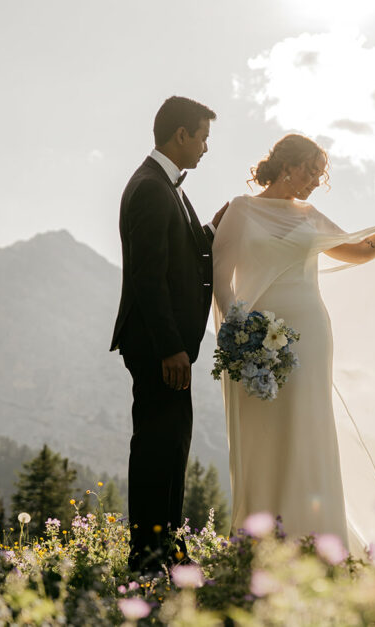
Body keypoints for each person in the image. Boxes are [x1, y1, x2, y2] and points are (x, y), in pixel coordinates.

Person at [212, 134, 375, 553]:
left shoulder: (311, 216)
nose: (316, 181)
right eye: (311, 171)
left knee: (307, 428)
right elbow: (221, 278)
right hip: (253, 337)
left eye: (320, 173)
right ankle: (258, 541)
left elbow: (362, 250)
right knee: (261, 434)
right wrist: (240, 332)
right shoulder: (241, 210)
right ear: (287, 166)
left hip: (309, 336)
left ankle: (314, 541)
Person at [110, 95, 228, 573]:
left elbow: (175, 252)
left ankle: (166, 547)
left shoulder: (166, 187)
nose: (205, 147)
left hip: (169, 344)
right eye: (203, 137)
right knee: (159, 445)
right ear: (181, 135)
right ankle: (150, 554)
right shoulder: (151, 189)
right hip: (160, 346)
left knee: (171, 443)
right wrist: (171, 346)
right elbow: (148, 275)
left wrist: (209, 231)